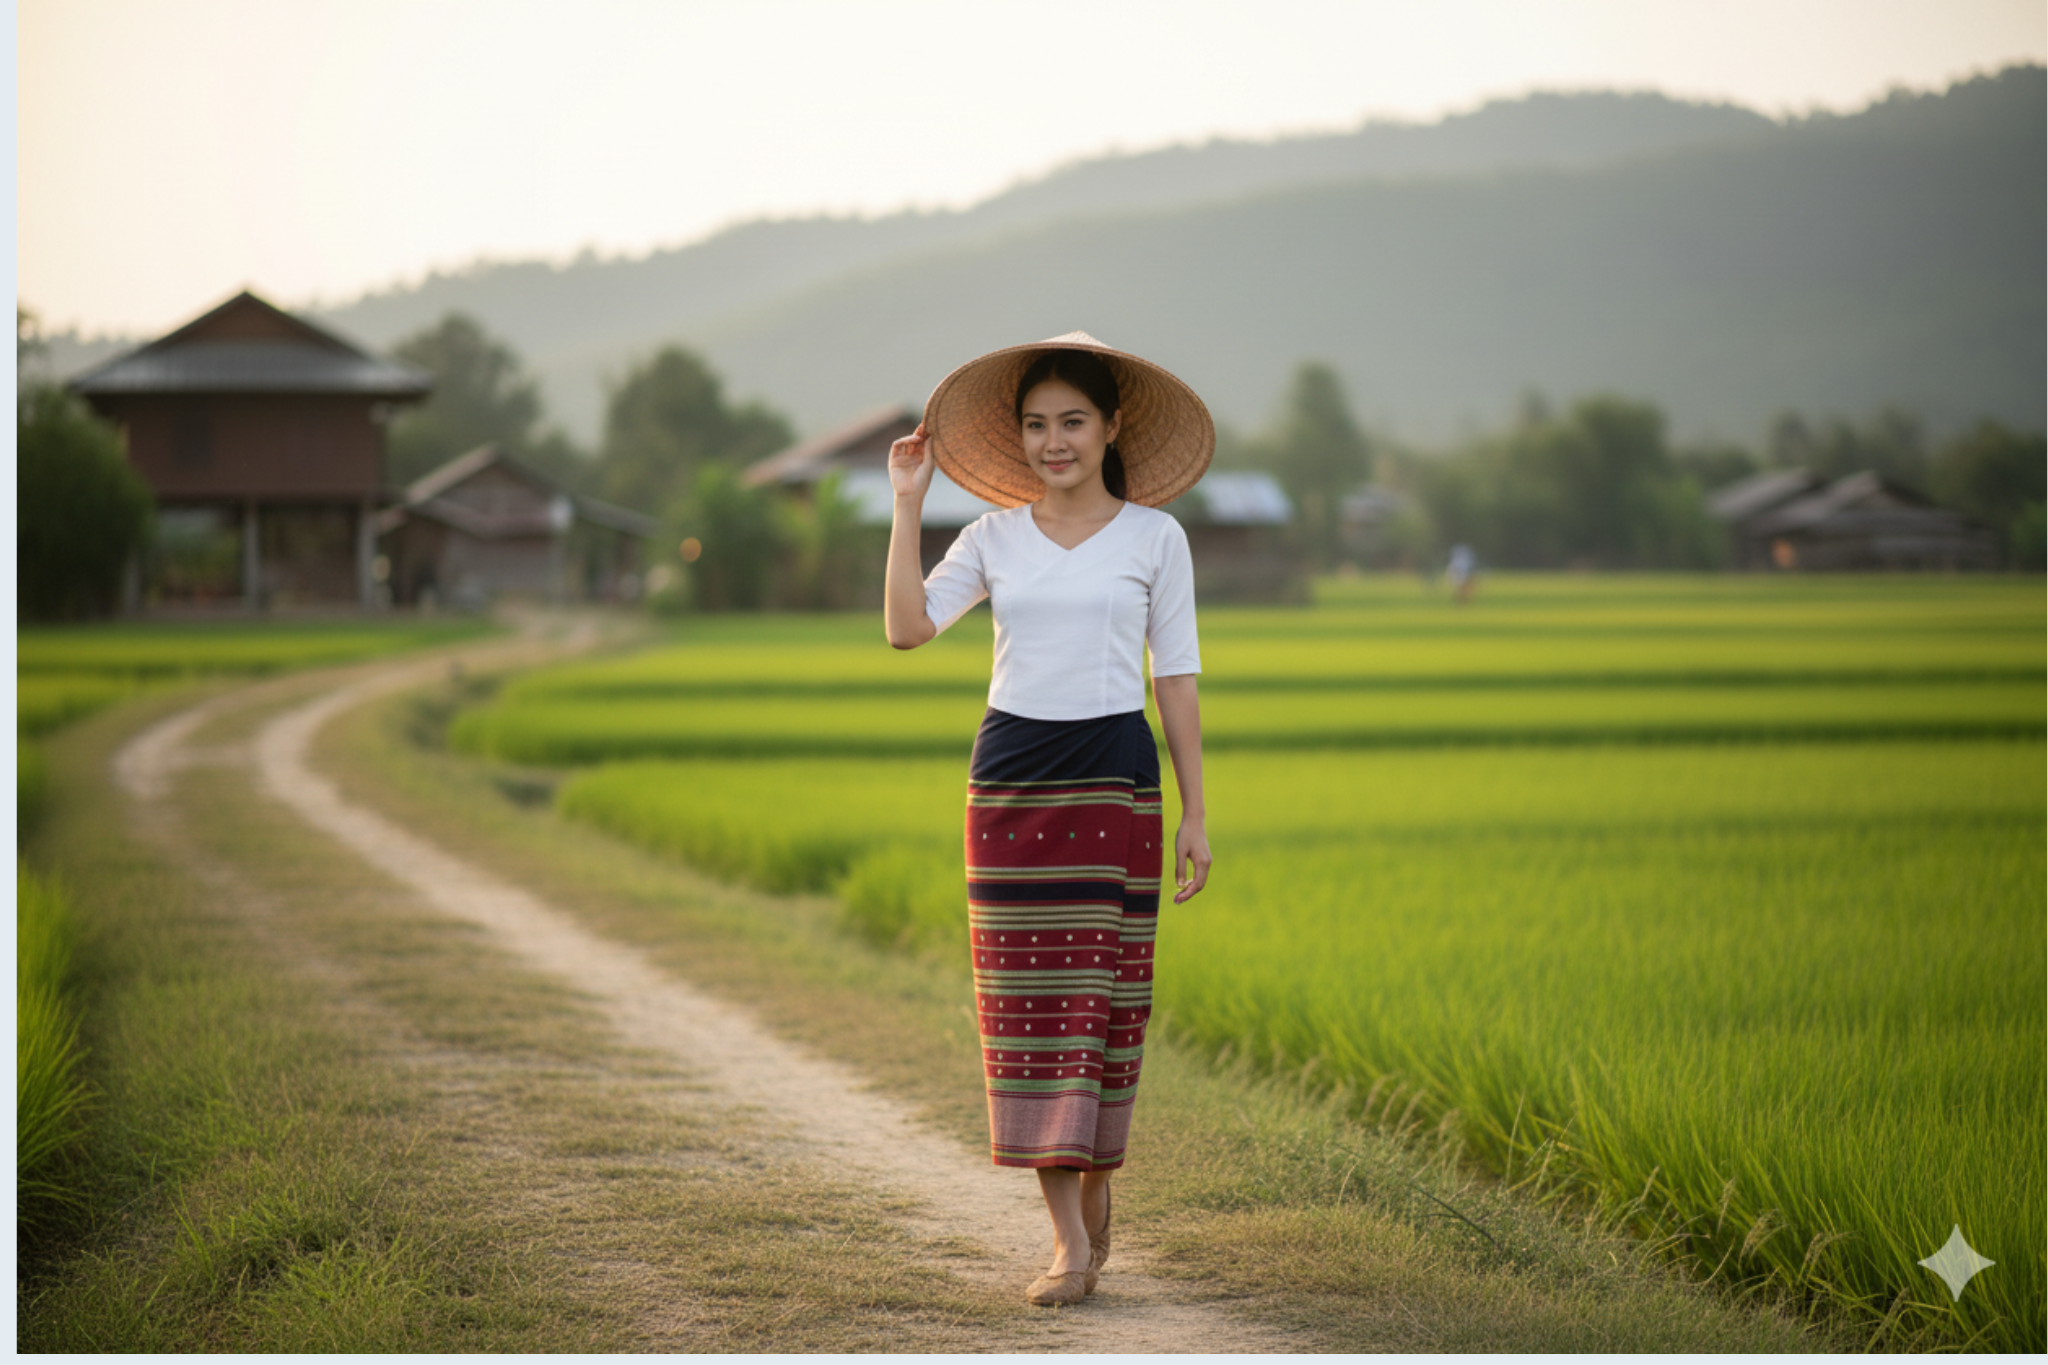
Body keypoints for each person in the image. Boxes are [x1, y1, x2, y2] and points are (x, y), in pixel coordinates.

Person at [884, 332, 1214, 1308]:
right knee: (1023, 1019)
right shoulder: (989, 537)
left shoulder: (1156, 538)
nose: (1052, 441)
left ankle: (1096, 1176)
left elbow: (1176, 679)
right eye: (1035, 425)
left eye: (1071, 421)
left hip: (1114, 780)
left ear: (1111, 428)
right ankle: (1066, 1241)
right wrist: (907, 504)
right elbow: (905, 628)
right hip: (1011, 787)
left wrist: (1197, 810)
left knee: (1103, 1009)